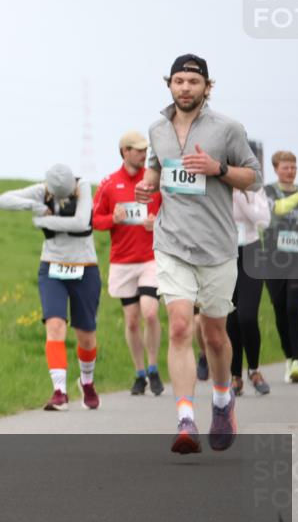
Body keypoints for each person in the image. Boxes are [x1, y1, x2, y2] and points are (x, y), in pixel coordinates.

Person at [134, 53, 263, 454]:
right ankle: (186, 417)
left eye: (193, 81)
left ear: (207, 87)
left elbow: (255, 177)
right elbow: (157, 168)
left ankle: (223, 400)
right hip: (172, 243)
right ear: (168, 85)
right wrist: (148, 184)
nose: (185, 88)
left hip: (218, 247)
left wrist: (218, 169)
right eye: (178, 81)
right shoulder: (157, 129)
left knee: (215, 334)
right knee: (178, 327)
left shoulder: (228, 128)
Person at [0, 164, 101, 412]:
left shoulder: (83, 187)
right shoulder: (42, 191)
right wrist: (33, 206)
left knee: (85, 336)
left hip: (85, 267)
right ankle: (60, 391)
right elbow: (1, 200)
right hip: (52, 268)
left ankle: (87, 382)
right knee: (55, 326)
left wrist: (43, 220)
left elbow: (80, 222)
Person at [92, 130, 164, 396]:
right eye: (137, 149)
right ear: (124, 151)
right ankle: (140, 372)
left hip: (151, 258)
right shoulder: (109, 183)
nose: (143, 154)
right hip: (122, 262)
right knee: (132, 321)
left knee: (151, 312)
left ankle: (155, 366)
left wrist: (157, 221)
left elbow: (173, 213)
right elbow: (94, 220)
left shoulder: (154, 182)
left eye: (145, 150)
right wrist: (114, 218)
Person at [263, 150, 298, 384]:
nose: (290, 171)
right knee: (280, 309)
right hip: (273, 257)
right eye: (285, 167)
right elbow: (276, 211)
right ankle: (288, 356)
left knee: (294, 305)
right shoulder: (268, 191)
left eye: (293, 167)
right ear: (276, 169)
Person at [227, 186, 271, 394]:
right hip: (224, 254)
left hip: (251, 253)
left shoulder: (254, 188)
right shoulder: (217, 184)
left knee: (247, 316)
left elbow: (263, 220)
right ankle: (235, 376)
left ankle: (254, 370)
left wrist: (242, 198)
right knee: (231, 319)